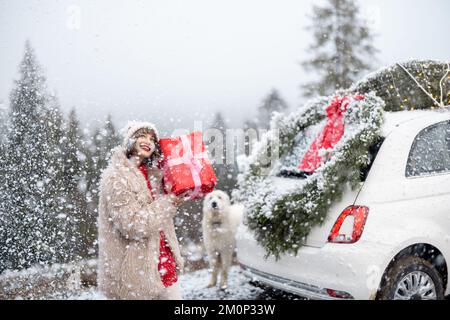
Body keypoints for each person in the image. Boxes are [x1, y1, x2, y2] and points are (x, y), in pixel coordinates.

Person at [97, 121, 185, 299]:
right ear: (130, 140)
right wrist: (168, 203)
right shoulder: (116, 177)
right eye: (142, 136)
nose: (148, 141)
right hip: (135, 278)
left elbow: (161, 218)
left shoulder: (155, 176)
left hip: (165, 268)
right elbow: (133, 225)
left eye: (152, 138)